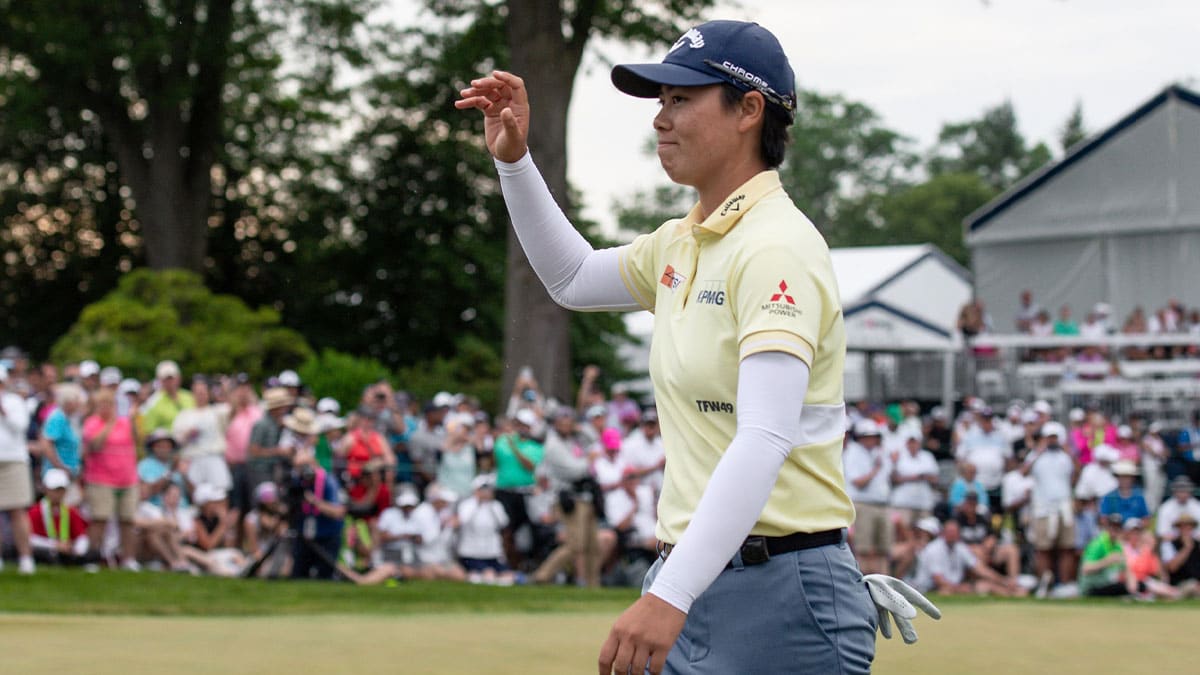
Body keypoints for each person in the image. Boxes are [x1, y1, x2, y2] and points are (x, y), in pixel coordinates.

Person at [457, 20, 935, 674]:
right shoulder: (683, 241)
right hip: (696, 574)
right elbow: (569, 278)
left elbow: (765, 435)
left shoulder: (776, 245)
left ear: (748, 110)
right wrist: (514, 161)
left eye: (682, 99)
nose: (661, 118)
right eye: (660, 101)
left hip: (783, 592)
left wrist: (667, 594)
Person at [81, 388, 141, 570]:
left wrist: (132, 420)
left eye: (110, 404)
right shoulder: (92, 423)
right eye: (103, 404)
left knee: (128, 520)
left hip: (127, 479)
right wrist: (109, 425)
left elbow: (137, 440)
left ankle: (129, 559)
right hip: (101, 479)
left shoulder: (125, 423)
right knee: (100, 519)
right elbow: (94, 445)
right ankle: (92, 557)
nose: (106, 408)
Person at [1022, 421, 1078, 595]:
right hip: (1043, 509)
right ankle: (1044, 584)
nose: (1052, 441)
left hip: (1064, 507)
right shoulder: (1036, 456)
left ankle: (1064, 586)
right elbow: (1023, 471)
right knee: (1043, 549)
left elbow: (1076, 474)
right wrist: (1038, 450)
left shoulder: (1065, 457)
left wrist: (1069, 451)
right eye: (1049, 437)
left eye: (1055, 437)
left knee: (1066, 548)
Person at [0, 365, 37, 573]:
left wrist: (3, 411)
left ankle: (26, 558)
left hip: (14, 461)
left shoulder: (14, 402)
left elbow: (20, 427)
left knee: (17, 511)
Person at [844, 419, 892, 574]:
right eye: (867, 436)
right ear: (860, 437)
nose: (871, 439)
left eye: (873, 436)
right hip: (863, 504)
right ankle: (865, 581)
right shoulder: (853, 452)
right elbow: (858, 482)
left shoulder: (880, 452)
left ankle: (885, 582)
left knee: (883, 547)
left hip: (882, 503)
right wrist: (875, 470)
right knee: (864, 547)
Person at [172, 376, 233, 494]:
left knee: (220, 495)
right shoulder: (184, 415)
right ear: (192, 393)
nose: (200, 395)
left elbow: (234, 408)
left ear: (209, 393)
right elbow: (175, 442)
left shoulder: (218, 411)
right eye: (197, 392)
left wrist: (226, 389)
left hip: (213, 458)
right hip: (192, 460)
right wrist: (187, 434)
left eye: (203, 391)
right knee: (196, 497)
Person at [27, 468, 92, 566]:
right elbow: (30, 539)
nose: (58, 494)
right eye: (55, 490)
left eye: (61, 490)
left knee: (91, 554)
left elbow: (82, 536)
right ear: (46, 489)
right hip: (46, 550)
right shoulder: (35, 511)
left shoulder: (70, 511)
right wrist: (55, 545)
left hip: (66, 549)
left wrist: (77, 550)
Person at [138, 360, 195, 436]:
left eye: (171, 378)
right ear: (159, 380)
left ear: (178, 378)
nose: (169, 382)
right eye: (165, 379)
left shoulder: (190, 396)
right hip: (169, 445)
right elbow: (149, 432)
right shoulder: (153, 402)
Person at [1099, 461, 1149, 525]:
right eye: (1122, 477)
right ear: (1117, 478)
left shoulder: (1139, 497)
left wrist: (1138, 525)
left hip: (1135, 532)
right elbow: (1103, 519)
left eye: (1127, 477)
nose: (1125, 480)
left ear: (1133, 478)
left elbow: (1146, 518)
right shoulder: (1109, 497)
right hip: (1114, 531)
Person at [1156, 476, 1200, 542]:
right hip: (1173, 542)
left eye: (1185, 490)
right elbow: (1161, 533)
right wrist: (1179, 538)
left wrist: (1189, 539)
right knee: (1166, 544)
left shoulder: (1197, 506)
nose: (1182, 494)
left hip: (1195, 542)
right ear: (1174, 491)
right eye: (1180, 490)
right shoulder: (1165, 507)